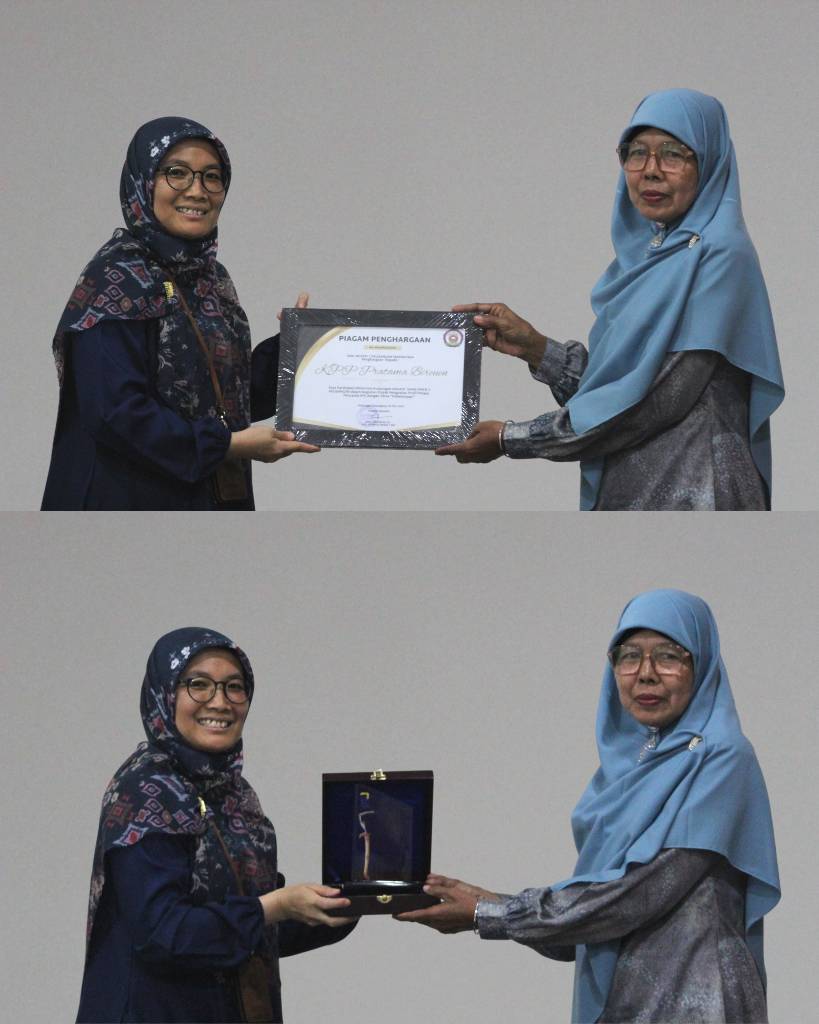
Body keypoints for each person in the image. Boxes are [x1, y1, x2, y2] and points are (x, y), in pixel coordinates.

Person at [398, 589, 780, 1023]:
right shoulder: (624, 774)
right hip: (628, 1005)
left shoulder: (723, 758)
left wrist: (493, 914)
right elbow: (590, 924)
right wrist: (490, 903)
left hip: (700, 1004)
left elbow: (637, 895)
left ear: (702, 665)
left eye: (669, 656)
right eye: (629, 656)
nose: (646, 674)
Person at [437, 89, 785, 510]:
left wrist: (509, 438)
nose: (650, 171)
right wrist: (536, 348)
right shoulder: (650, 259)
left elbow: (649, 405)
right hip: (634, 493)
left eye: (673, 154)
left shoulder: (720, 256)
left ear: (709, 162)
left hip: (699, 497)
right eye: (636, 153)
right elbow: (615, 392)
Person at [76, 627, 356, 1023]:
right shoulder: (146, 792)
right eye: (199, 685)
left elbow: (252, 930)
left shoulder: (235, 796)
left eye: (234, 687)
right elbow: (164, 933)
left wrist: (351, 901)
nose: (220, 702)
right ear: (165, 694)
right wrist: (273, 907)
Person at [42, 117, 318, 510]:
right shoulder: (116, 280)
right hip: (123, 505)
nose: (197, 190)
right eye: (176, 173)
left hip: (207, 502)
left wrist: (295, 349)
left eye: (212, 177)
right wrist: (227, 445)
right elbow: (114, 411)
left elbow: (228, 399)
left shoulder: (212, 281)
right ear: (144, 182)